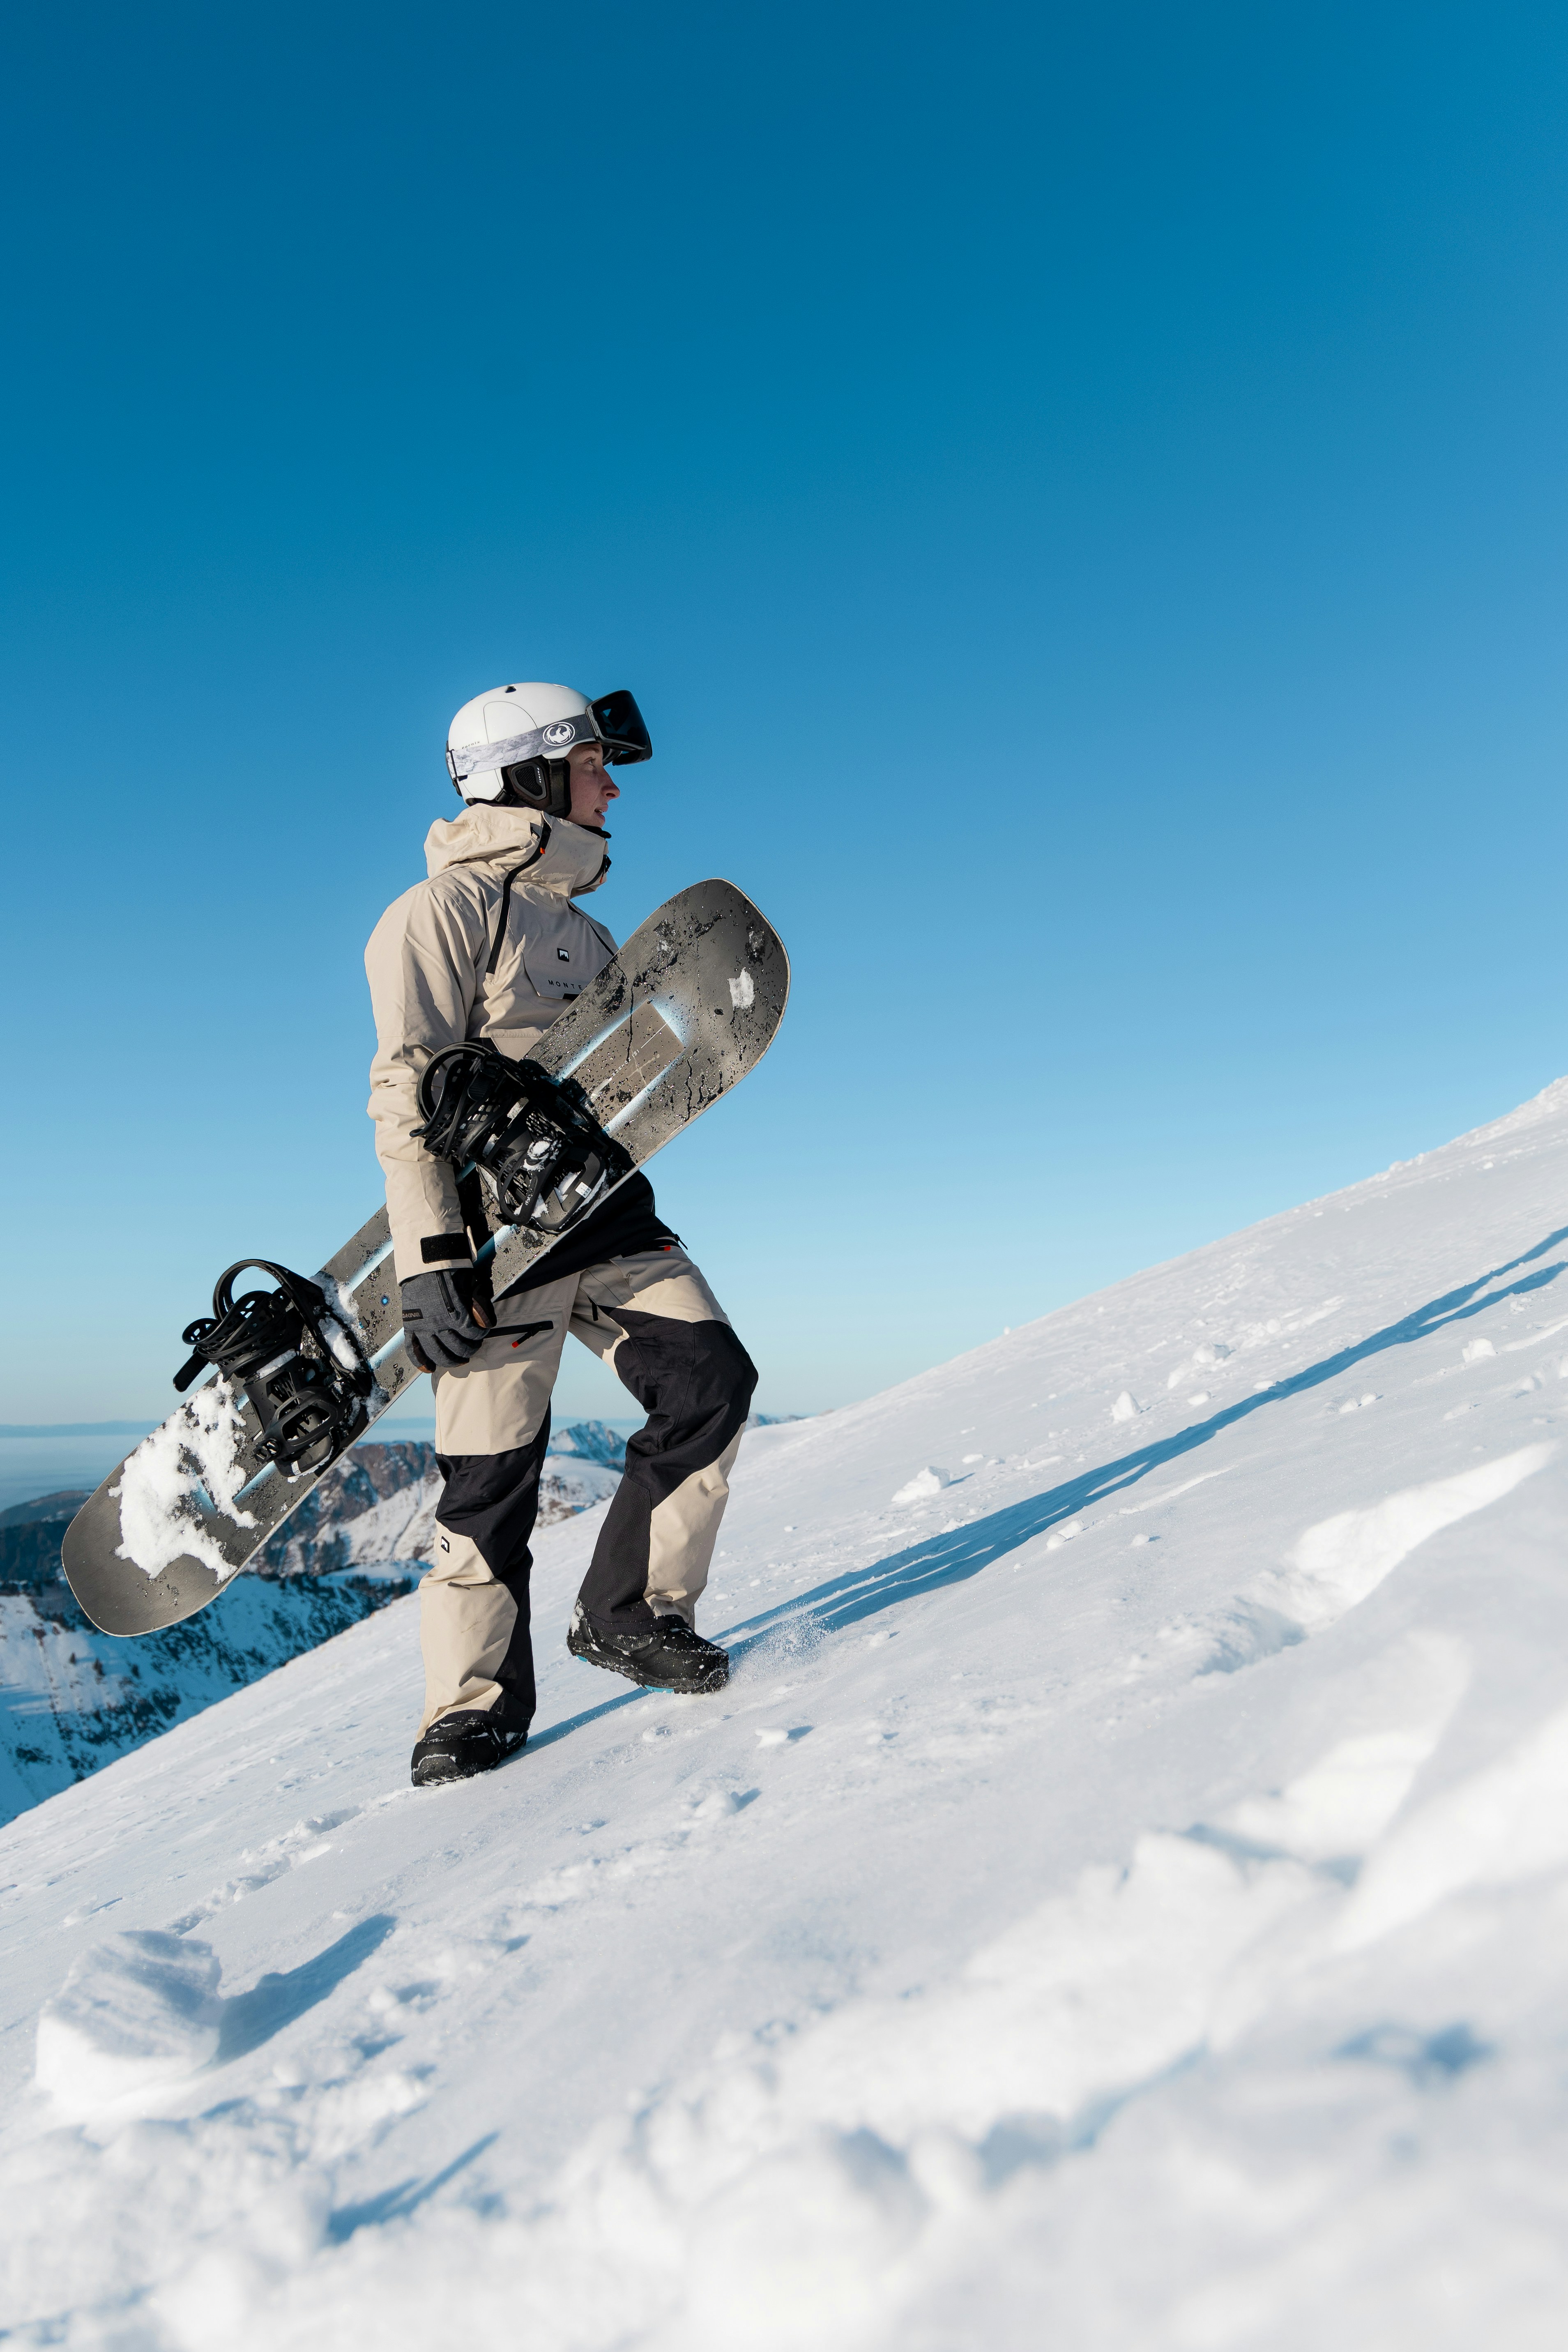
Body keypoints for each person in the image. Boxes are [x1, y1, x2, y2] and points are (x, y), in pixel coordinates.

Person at [364, 683, 757, 1788]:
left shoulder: (586, 932)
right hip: (494, 1239)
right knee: (488, 1476)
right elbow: (404, 1082)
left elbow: (624, 1085)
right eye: (592, 763)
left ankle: (629, 1613)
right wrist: (430, 1253)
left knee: (711, 1381)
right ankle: (469, 1708)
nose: (612, 783)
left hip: (603, 1215)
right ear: (529, 778)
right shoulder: (438, 914)